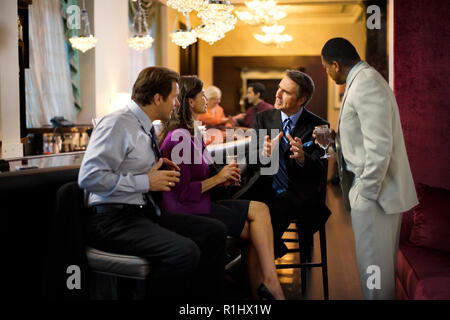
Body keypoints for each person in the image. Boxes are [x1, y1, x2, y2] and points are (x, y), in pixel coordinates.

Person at [78, 67, 227, 300]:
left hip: (143, 213)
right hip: (112, 220)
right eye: (175, 97)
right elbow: (89, 176)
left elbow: (128, 164)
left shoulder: (144, 124)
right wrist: (145, 181)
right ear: (157, 98)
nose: (177, 103)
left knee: (215, 231)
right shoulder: (116, 124)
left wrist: (157, 165)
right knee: (184, 253)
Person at [159, 75, 285, 300]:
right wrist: (218, 180)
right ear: (190, 102)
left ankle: (266, 285)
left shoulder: (192, 132)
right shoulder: (179, 137)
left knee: (261, 212)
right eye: (202, 95)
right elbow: (181, 192)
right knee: (259, 230)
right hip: (186, 209)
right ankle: (267, 287)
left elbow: (203, 172)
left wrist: (223, 176)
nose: (206, 98)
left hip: (202, 201)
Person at [319, 37, 418, 300]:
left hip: (376, 197)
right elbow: (364, 139)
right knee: (373, 270)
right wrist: (333, 139)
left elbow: (380, 147)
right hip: (373, 193)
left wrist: (366, 193)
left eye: (326, 68)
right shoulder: (362, 81)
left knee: (374, 273)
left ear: (336, 65)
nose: (327, 74)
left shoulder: (366, 84)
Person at [243, 70, 331, 259]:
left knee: (278, 206)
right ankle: (269, 250)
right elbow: (251, 162)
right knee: (239, 207)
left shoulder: (321, 126)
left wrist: (302, 159)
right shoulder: (262, 118)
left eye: (286, 92)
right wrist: (262, 154)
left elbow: (322, 170)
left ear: (301, 99)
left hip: (299, 193)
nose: (278, 94)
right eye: (278, 88)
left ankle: (264, 254)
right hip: (264, 188)